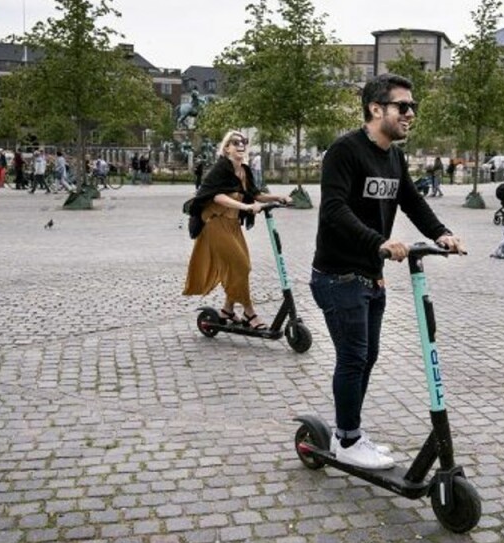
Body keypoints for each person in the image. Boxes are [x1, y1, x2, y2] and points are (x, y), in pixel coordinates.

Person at [310, 73, 464, 470]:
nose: (410, 113)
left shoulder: (393, 157)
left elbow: (411, 201)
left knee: (368, 356)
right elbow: (334, 209)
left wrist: (441, 233)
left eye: (413, 106)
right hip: (338, 274)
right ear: (375, 109)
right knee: (353, 356)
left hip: (369, 273)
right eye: (402, 106)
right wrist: (378, 242)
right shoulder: (344, 151)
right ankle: (347, 440)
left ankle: (350, 432)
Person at [183, 130, 292, 329]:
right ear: (226, 148)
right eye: (235, 142)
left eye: (243, 142)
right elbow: (216, 196)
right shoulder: (220, 169)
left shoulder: (244, 170)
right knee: (241, 266)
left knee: (242, 266)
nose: (240, 145)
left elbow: (255, 194)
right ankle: (249, 313)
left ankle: (227, 310)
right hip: (215, 223)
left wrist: (278, 197)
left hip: (232, 225)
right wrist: (246, 207)